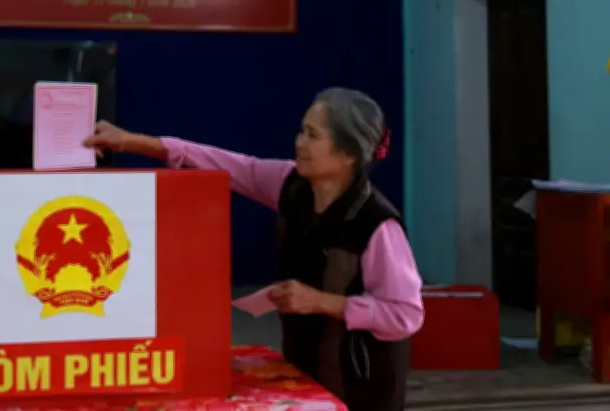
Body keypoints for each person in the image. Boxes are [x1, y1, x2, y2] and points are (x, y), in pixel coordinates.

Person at [83, 87, 424, 411]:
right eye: (301, 131)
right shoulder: (291, 186)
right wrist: (134, 142)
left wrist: (321, 302)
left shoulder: (377, 225)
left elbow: (405, 315)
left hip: (361, 386)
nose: (299, 143)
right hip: (305, 374)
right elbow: (224, 163)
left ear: (347, 154)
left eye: (312, 135)